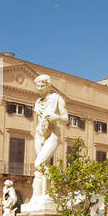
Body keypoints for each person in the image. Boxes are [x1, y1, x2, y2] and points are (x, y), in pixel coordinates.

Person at [30, 75, 66, 204]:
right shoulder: (38, 102)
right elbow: (40, 121)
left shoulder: (57, 99)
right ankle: (38, 196)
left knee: (38, 164)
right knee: (40, 168)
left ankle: (50, 192)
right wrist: (41, 135)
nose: (39, 88)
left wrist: (56, 117)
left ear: (48, 86)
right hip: (40, 135)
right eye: (37, 86)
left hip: (53, 135)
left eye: (41, 86)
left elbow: (65, 118)